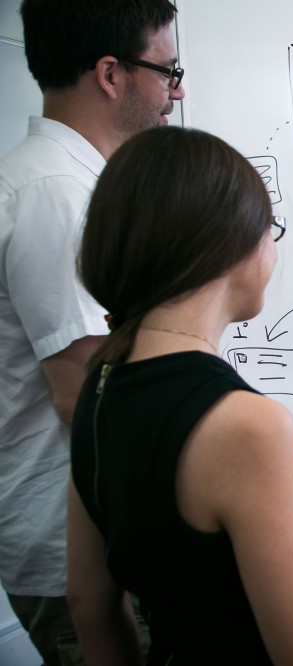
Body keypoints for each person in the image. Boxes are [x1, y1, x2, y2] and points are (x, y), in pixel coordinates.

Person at [67, 125, 293, 665]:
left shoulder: (100, 384)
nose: (273, 248)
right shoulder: (246, 424)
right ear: (227, 243)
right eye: (270, 229)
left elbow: (90, 605)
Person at [0, 0, 184, 661]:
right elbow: (85, 393)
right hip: (82, 547)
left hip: (101, 529)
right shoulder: (56, 192)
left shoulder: (79, 184)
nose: (177, 90)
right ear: (111, 73)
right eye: (167, 70)